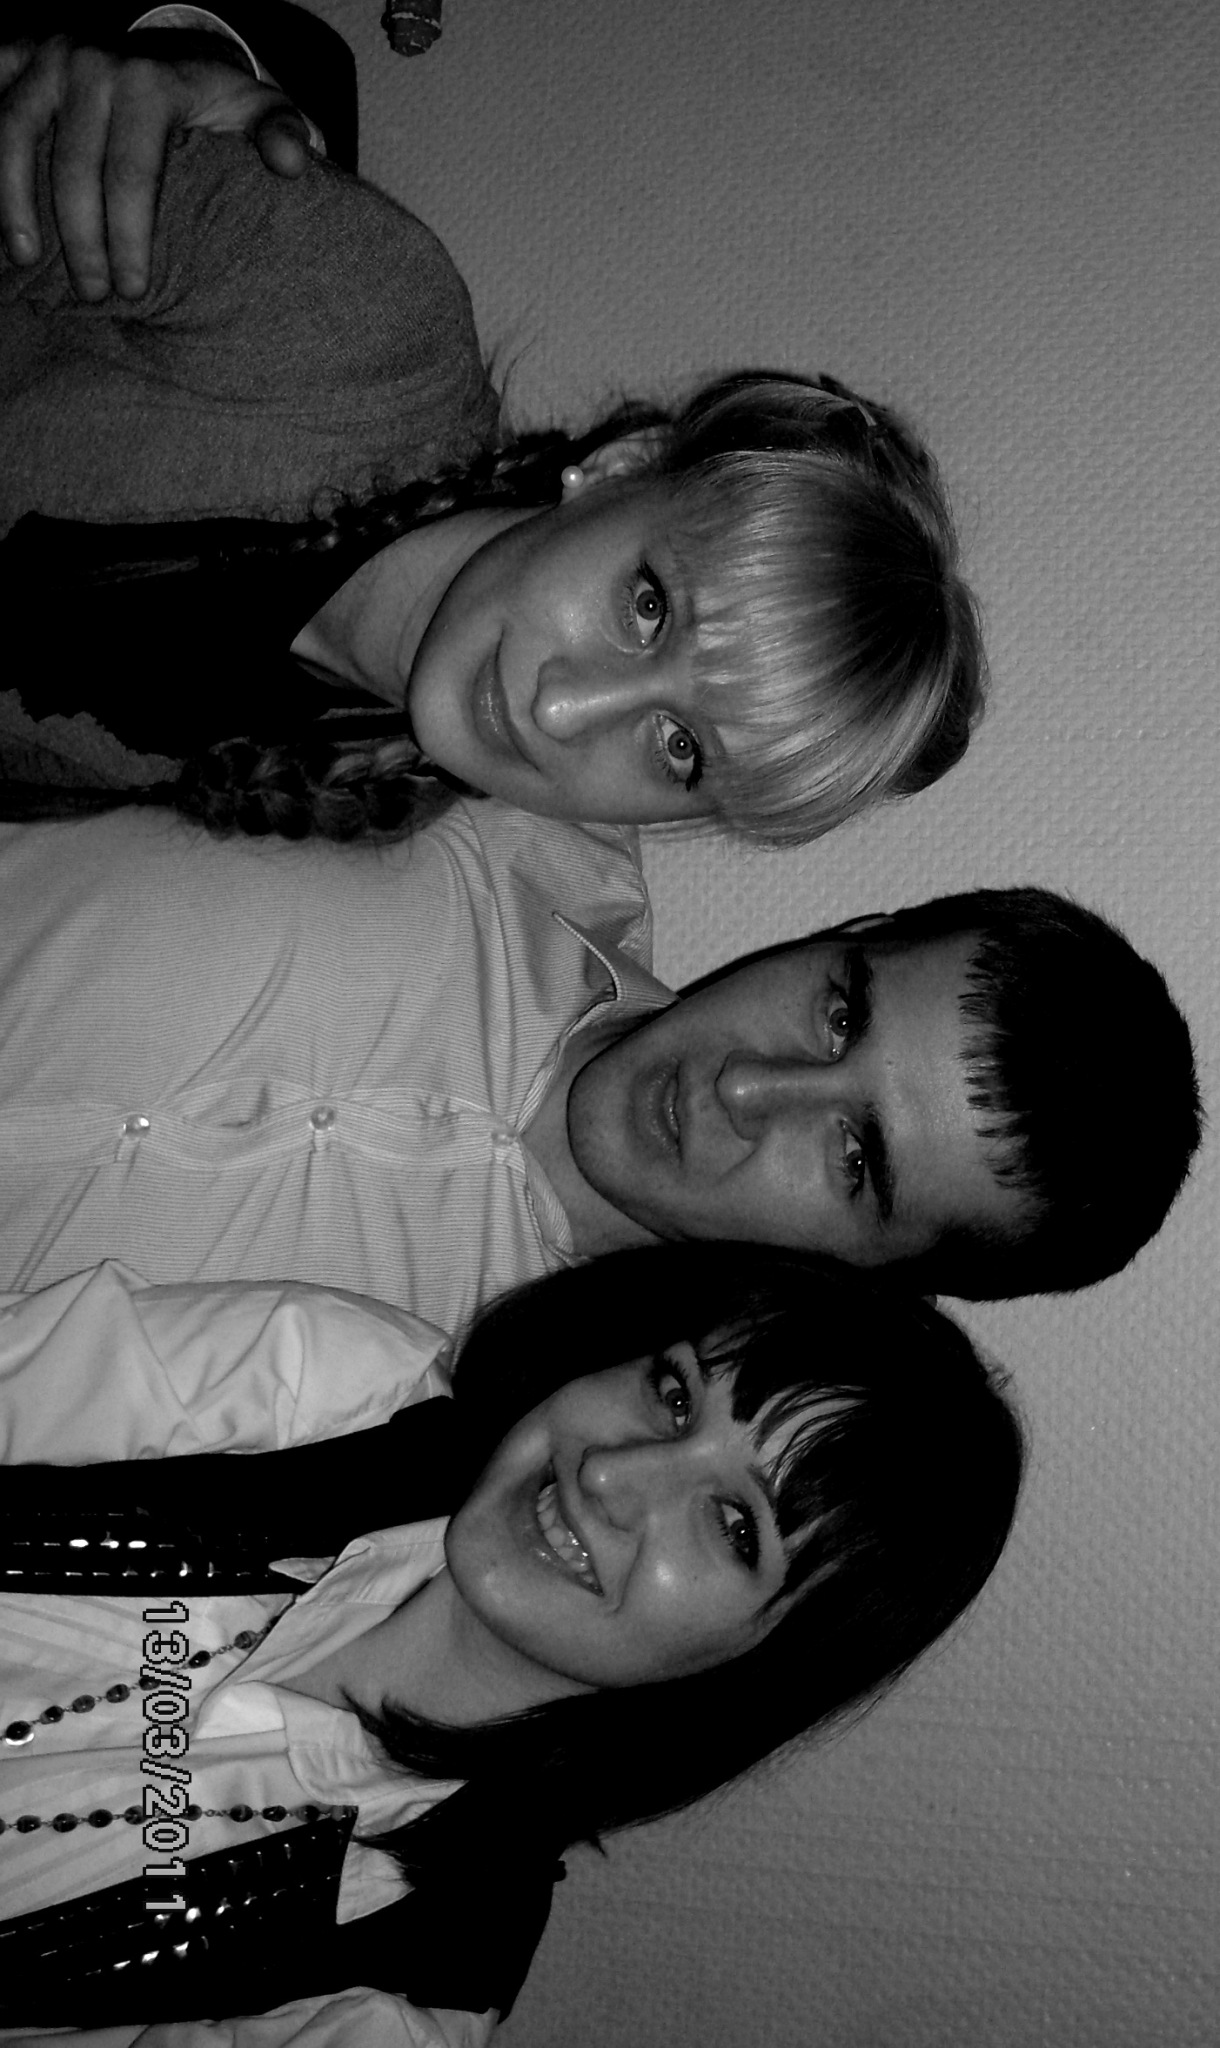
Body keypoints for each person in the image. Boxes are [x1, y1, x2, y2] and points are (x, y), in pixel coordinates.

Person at [0, 1242, 1026, 2042]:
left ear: (764, 1664)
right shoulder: (333, 1387)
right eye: (672, 1394)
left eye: (732, 1525)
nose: (612, 1473)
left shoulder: (407, 1991)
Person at [0, 15, 984, 847]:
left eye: (680, 750)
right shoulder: (360, 312)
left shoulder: (344, 807)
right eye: (648, 605)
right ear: (621, 465)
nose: (562, 710)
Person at [0, 793, 1200, 1328]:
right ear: (852, 928)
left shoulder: (466, 1459)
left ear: (869, 1277)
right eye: (840, 1014)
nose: (748, 1087)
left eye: (852, 1157)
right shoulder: (508, 793)